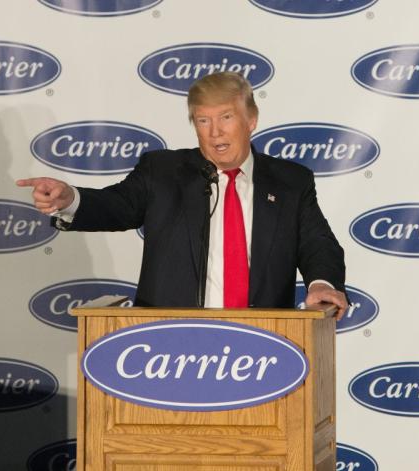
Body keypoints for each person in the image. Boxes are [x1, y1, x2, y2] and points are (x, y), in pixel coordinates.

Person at [17, 72, 349, 319]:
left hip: (262, 346)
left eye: (226, 118)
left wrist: (320, 284)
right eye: (203, 120)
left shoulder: (290, 182)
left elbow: (318, 244)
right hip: (172, 343)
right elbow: (116, 206)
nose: (215, 131)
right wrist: (70, 199)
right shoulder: (163, 172)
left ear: (251, 120)